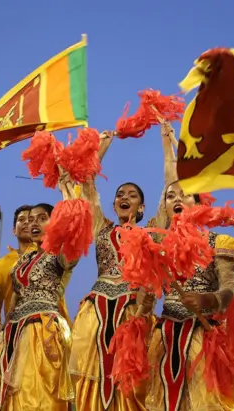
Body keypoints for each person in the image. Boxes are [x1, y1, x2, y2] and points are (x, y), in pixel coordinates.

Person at [144, 182, 234, 411]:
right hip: (166, 338)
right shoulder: (159, 248)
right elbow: (148, 294)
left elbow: (231, 287)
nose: (176, 199)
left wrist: (207, 299)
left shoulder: (217, 243)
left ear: (198, 204)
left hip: (204, 337)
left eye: (185, 195)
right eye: (170, 196)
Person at [71, 130, 156, 411]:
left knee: (130, 382)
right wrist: (102, 146)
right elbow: (86, 183)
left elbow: (173, 186)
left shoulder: (152, 232)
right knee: (92, 375)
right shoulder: (102, 228)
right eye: (120, 194)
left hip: (133, 310)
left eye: (132, 195)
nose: (124, 197)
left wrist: (168, 142)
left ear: (141, 207)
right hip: (97, 309)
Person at [0, 197, 78, 410]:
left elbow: (72, 249)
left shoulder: (59, 254)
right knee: (11, 395)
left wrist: (69, 194)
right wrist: (5, 328)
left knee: (38, 392)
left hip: (43, 330)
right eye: (31, 220)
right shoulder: (24, 259)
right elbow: (15, 293)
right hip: (15, 331)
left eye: (42, 219)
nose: (33, 224)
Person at [0, 206, 73, 345]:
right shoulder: (6, 264)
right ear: (13, 230)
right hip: (15, 328)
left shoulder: (54, 253)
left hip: (47, 327)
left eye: (40, 219)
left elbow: (70, 253)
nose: (28, 223)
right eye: (23, 220)